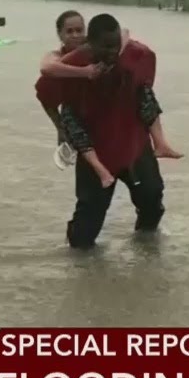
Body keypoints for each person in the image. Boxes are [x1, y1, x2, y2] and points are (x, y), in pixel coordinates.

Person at [34, 13, 173, 249]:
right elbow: (45, 94)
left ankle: (146, 250)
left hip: (134, 147)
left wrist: (158, 139)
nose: (111, 53)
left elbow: (146, 91)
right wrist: (60, 128)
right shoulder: (65, 66)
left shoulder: (136, 55)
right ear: (92, 45)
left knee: (152, 200)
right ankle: (79, 269)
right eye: (70, 31)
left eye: (80, 30)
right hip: (96, 153)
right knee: (84, 232)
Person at [37, 10, 182, 160]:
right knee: (68, 109)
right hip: (84, 111)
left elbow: (125, 32)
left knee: (143, 90)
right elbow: (46, 70)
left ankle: (160, 143)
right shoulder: (56, 56)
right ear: (60, 34)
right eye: (69, 31)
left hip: (113, 108)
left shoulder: (98, 44)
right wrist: (85, 71)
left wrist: (114, 55)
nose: (75, 35)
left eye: (79, 30)